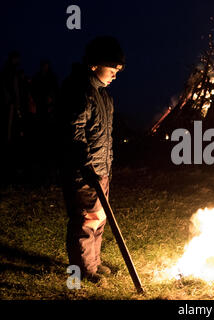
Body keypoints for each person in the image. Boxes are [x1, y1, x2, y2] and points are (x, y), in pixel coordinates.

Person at [60, 36, 125, 283]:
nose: (115, 75)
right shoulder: (80, 91)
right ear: (94, 65)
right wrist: (85, 165)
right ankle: (83, 269)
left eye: (118, 70)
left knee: (99, 218)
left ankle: (94, 262)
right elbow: (74, 132)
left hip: (101, 168)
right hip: (83, 171)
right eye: (112, 69)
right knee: (86, 220)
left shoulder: (104, 96)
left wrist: (103, 167)